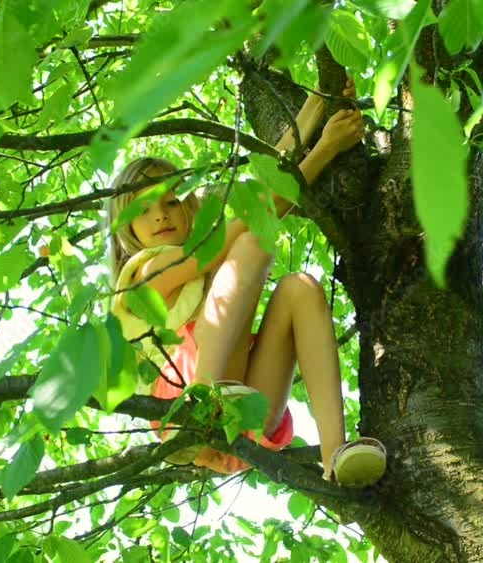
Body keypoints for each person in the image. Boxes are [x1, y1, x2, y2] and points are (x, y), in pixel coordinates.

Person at [106, 79, 386, 487]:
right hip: (183, 411)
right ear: (126, 226)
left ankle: (334, 461)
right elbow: (260, 215)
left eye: (171, 201)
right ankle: (198, 406)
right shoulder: (145, 273)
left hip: (246, 412)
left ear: (190, 208)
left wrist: (315, 102)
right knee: (256, 234)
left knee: (300, 286)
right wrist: (324, 150)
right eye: (144, 208)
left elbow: (266, 187)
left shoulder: (211, 256)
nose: (161, 215)